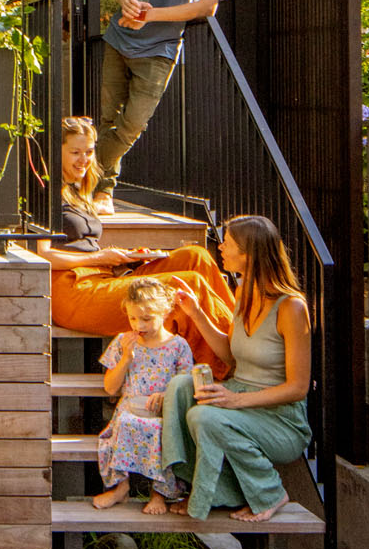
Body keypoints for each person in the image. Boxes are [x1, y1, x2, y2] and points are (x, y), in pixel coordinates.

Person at [28, 116, 236, 372]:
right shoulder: (45, 192)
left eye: (89, 152)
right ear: (56, 152)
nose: (84, 159)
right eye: (75, 152)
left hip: (102, 276)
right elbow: (44, 255)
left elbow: (89, 247)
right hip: (72, 291)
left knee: (196, 257)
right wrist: (99, 258)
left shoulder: (79, 189)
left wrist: (126, 260)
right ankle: (231, 366)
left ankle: (245, 336)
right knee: (187, 284)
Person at [159, 214, 312, 522]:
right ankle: (206, 488)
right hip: (241, 396)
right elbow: (232, 357)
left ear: (248, 254)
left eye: (227, 244)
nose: (220, 249)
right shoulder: (243, 293)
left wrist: (235, 400)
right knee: (179, 387)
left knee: (205, 415)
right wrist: (196, 313)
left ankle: (270, 492)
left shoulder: (292, 308)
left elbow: (298, 388)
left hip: (280, 420)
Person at [94, 0, 228, 213]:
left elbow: (208, 6)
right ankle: (103, 192)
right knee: (106, 117)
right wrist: (128, 3)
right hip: (118, 38)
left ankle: (77, 169)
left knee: (133, 124)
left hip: (161, 48)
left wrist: (153, 15)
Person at [92, 276, 193, 514]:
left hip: (163, 412)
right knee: (123, 424)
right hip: (130, 407)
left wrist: (167, 394)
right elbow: (110, 387)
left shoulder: (178, 346)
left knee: (162, 432)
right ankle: (120, 486)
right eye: (133, 318)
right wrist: (126, 359)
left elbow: (187, 384)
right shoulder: (123, 342)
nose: (139, 325)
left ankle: (159, 493)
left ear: (165, 312)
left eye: (147, 319)